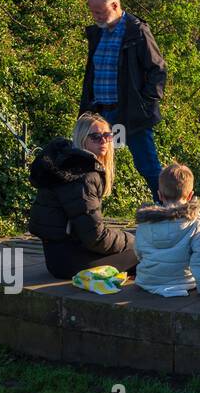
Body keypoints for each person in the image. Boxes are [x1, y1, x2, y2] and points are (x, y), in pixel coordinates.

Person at [80, 0, 166, 202]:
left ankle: (168, 208)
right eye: (92, 11)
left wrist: (144, 103)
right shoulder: (98, 33)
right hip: (100, 113)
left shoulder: (136, 30)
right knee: (91, 164)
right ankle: (89, 210)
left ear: (115, 5)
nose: (95, 16)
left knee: (147, 164)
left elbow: (157, 69)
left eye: (99, 11)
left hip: (129, 111)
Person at [28, 113, 138, 280]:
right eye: (95, 137)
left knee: (132, 239)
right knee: (144, 252)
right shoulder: (82, 175)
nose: (103, 141)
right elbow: (96, 238)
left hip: (57, 258)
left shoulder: (68, 165)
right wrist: (132, 240)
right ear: (82, 140)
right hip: (72, 263)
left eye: (107, 135)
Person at [134, 163, 200, 297]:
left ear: (160, 195)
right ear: (190, 195)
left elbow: (139, 253)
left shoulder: (145, 222)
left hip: (148, 282)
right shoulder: (198, 223)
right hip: (184, 283)